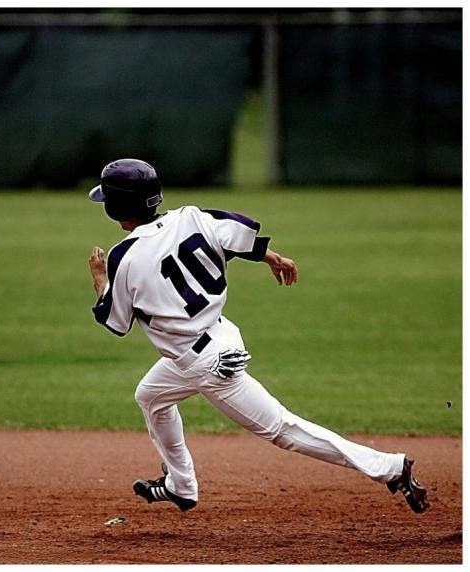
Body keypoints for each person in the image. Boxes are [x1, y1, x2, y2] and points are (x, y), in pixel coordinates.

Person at [86, 158, 429, 514]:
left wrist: (100, 278)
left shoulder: (122, 257)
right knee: (151, 397)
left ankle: (389, 467)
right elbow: (236, 234)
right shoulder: (191, 216)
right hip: (217, 339)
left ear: (115, 207)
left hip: (203, 363)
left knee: (282, 429)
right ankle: (181, 485)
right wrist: (272, 257)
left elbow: (116, 321)